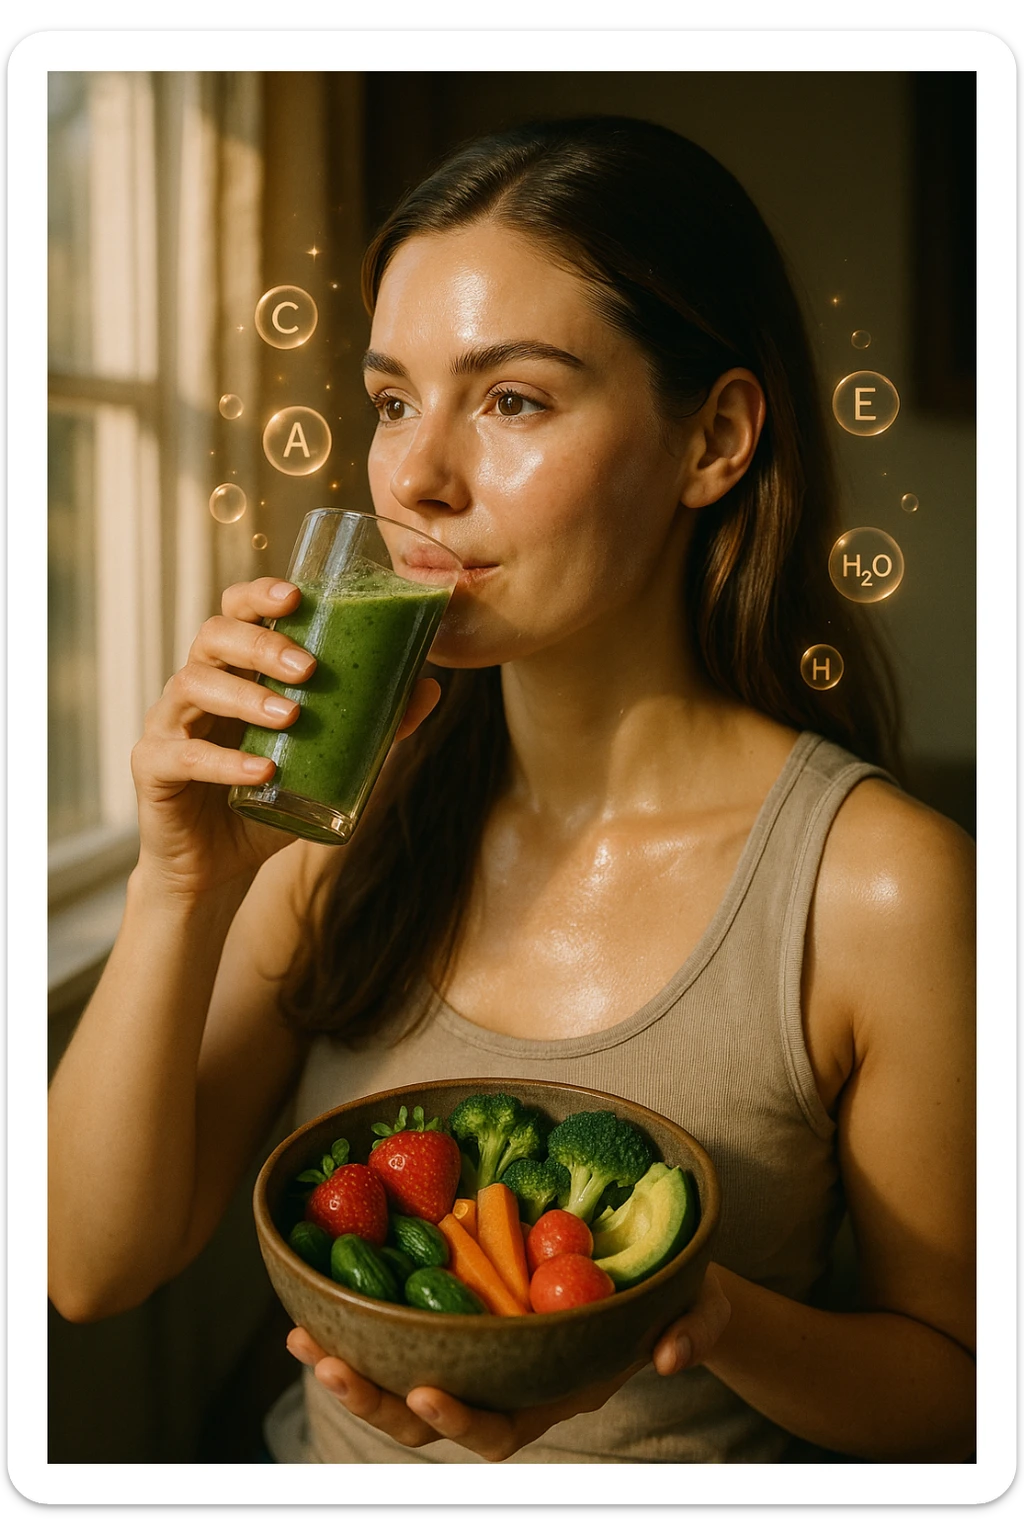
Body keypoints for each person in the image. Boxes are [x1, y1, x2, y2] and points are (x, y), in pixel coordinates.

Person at [48, 116, 975, 1466]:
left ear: (714, 439)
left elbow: (960, 1397)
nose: (417, 477)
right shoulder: (335, 825)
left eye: (513, 399)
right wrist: (179, 881)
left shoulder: (883, 889)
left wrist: (685, 1313)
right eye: (392, 400)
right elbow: (87, 1267)